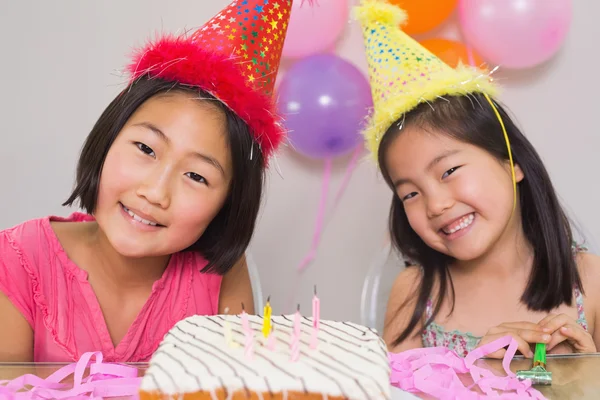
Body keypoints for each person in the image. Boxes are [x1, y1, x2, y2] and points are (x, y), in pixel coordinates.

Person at [0, 0, 296, 362]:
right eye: (145, 148)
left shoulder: (219, 275)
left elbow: (234, 384)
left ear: (229, 202)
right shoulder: (17, 259)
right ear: (108, 137)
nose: (155, 192)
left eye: (196, 176)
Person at [355, 0, 600, 358]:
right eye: (409, 194)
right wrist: (476, 376)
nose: (436, 204)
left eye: (449, 171)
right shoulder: (414, 293)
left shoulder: (589, 280)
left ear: (512, 162)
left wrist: (584, 376)